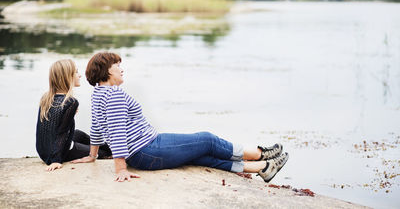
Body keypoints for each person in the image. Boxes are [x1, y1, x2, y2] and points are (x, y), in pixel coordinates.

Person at [72, 52, 288, 182]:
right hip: (146, 150)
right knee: (206, 140)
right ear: (106, 70)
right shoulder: (114, 94)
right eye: (117, 65)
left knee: (200, 156)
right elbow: (117, 132)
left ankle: (262, 169)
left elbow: (98, 126)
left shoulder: (99, 94)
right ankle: (260, 154)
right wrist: (120, 168)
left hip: (146, 148)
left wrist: (93, 155)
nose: (121, 68)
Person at [36, 59, 112, 171]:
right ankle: (113, 149)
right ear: (67, 77)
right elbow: (62, 132)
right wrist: (56, 160)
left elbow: (42, 130)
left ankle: (111, 146)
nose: (80, 75)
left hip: (43, 150)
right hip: (60, 152)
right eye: (76, 72)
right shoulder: (71, 102)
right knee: (102, 152)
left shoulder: (46, 98)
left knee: (79, 134)